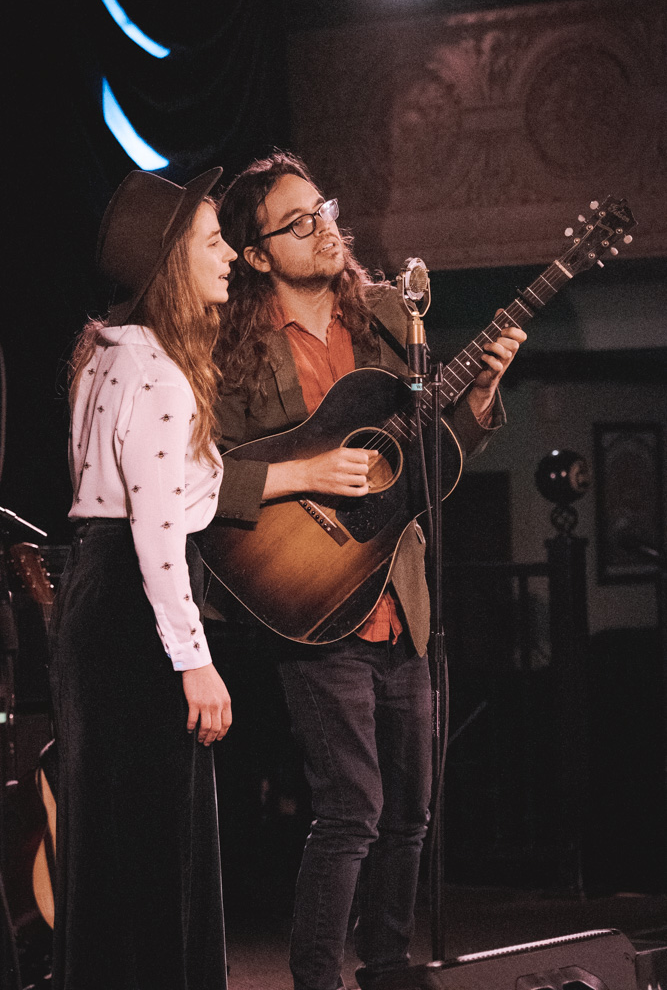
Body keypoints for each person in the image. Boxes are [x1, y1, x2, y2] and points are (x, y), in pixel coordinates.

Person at [212, 151, 526, 990]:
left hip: (403, 597)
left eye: (324, 210)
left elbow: (431, 455)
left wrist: (483, 397)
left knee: (411, 813)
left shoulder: (389, 319)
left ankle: (386, 965)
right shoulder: (236, 353)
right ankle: (316, 976)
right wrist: (308, 475)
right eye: (298, 221)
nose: (324, 229)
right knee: (351, 808)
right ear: (254, 254)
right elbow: (204, 477)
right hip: (311, 599)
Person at [48, 167, 236, 990]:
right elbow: (157, 532)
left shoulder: (102, 357)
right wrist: (193, 659)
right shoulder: (158, 371)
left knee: (108, 834)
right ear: (172, 266)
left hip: (94, 594)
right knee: (158, 839)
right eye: (212, 241)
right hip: (137, 605)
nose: (229, 254)